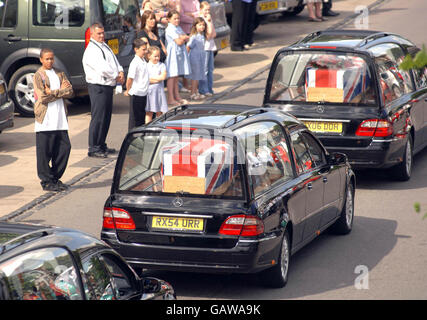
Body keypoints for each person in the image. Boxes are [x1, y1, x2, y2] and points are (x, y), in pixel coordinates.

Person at [82, 22, 125, 158]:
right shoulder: (91, 50)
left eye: (102, 33)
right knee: (98, 117)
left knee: (106, 117)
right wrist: (116, 76)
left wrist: (120, 71)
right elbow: (102, 68)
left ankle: (101, 144)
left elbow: (114, 61)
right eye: (99, 33)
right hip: (98, 87)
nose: (102, 36)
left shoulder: (104, 46)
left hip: (107, 85)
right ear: (92, 34)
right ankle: (94, 147)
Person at [33, 48, 73, 192]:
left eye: (52, 58)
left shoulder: (59, 73)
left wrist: (54, 92)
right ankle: (46, 180)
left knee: (64, 148)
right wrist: (60, 92)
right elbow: (43, 97)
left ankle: (55, 177)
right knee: (44, 152)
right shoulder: (38, 75)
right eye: (47, 59)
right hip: (46, 120)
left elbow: (70, 91)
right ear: (41, 60)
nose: (50, 61)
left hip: (60, 118)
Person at [165, 10, 191, 106]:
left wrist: (182, 37)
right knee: (171, 76)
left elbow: (186, 37)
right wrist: (183, 37)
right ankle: (171, 98)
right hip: (172, 55)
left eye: (178, 18)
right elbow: (179, 41)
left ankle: (177, 96)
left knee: (176, 77)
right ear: (169, 19)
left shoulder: (178, 27)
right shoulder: (170, 29)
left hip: (178, 54)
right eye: (174, 18)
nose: (177, 20)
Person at [124, 39, 150, 130]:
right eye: (143, 49)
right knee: (134, 119)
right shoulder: (135, 62)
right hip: (136, 94)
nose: (145, 51)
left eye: (146, 49)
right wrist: (128, 90)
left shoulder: (143, 60)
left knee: (141, 118)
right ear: (136, 49)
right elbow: (130, 79)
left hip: (143, 93)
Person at [146, 46, 168, 123]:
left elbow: (163, 76)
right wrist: (157, 79)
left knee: (160, 112)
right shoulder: (146, 66)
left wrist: (152, 79)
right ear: (149, 56)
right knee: (149, 113)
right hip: (150, 92)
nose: (157, 58)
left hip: (159, 92)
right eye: (155, 56)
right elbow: (146, 80)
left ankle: (160, 128)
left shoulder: (162, 65)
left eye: (158, 56)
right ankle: (147, 129)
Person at [198, 1, 216, 97]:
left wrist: (210, 22)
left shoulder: (209, 19)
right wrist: (208, 23)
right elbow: (208, 36)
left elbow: (214, 34)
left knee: (210, 69)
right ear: (201, 10)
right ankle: (203, 90)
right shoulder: (201, 20)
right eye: (205, 10)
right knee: (204, 69)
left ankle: (209, 88)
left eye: (209, 9)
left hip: (210, 47)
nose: (207, 12)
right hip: (204, 47)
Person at [187, 17, 207, 100]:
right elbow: (188, 46)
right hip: (194, 58)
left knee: (198, 75)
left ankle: (196, 91)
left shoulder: (202, 35)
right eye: (200, 25)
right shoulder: (194, 37)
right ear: (195, 26)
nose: (202, 27)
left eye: (203, 25)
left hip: (200, 57)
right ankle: (192, 93)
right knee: (194, 76)